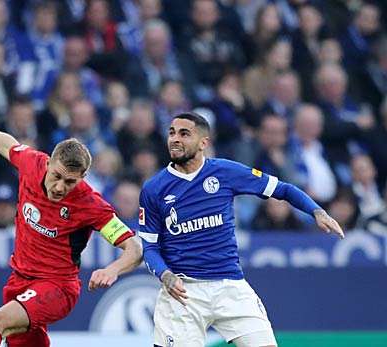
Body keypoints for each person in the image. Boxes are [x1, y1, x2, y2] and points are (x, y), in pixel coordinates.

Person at [139, 112, 344, 347]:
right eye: (172, 133)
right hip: (184, 290)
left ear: (204, 142)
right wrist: (165, 275)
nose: (175, 139)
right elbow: (150, 247)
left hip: (230, 285)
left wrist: (317, 212)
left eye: (184, 134)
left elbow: (283, 189)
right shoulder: (154, 189)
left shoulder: (225, 172)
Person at [0, 106, 143, 347]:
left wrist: (113, 270)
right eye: (57, 176)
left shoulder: (90, 204)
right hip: (19, 281)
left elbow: (134, 249)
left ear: (82, 178)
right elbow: (8, 145)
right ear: (49, 163)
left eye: (70, 182)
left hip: (57, 288)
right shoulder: (32, 164)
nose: (60, 187)